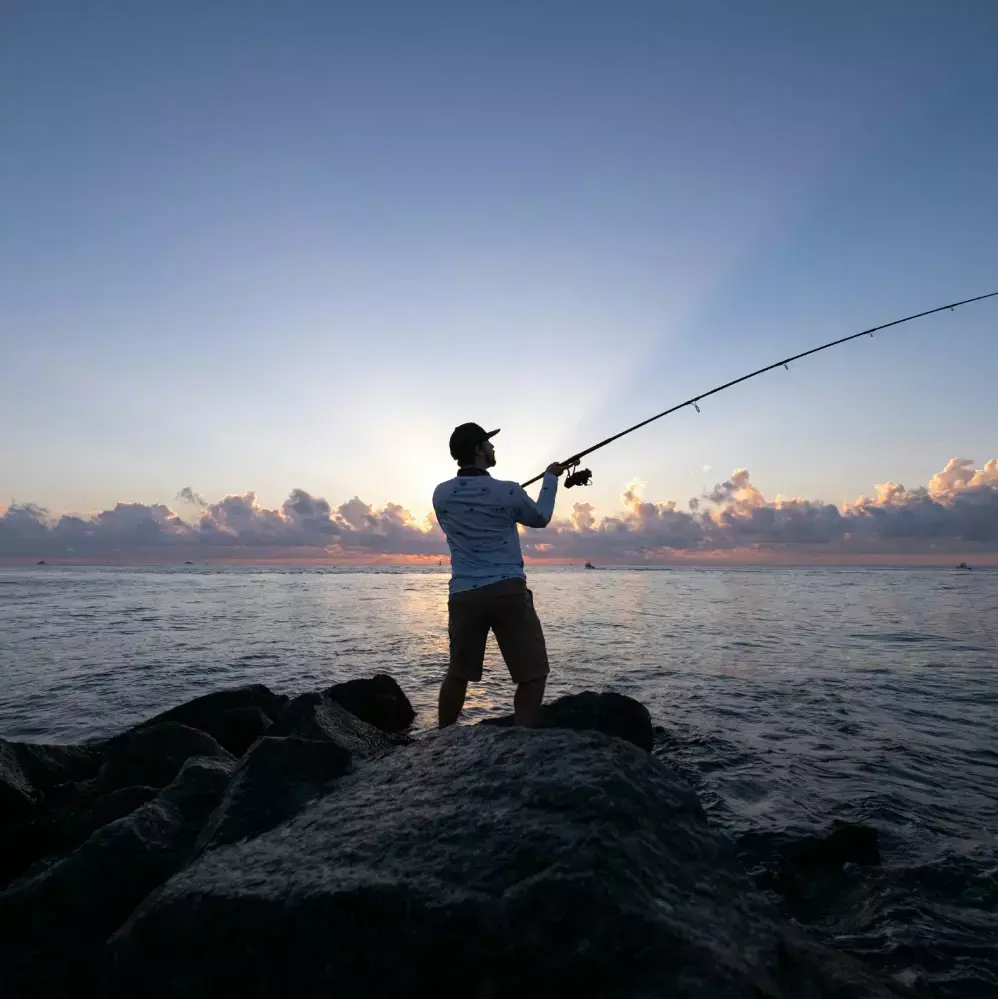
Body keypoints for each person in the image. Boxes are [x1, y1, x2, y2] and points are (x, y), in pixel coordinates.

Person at [432, 422, 563, 728]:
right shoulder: (508, 491)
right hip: (508, 592)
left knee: (458, 672)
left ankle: (441, 740)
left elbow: (478, 505)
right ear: (478, 450)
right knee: (532, 675)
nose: (493, 448)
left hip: (464, 595)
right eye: (488, 444)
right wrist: (550, 478)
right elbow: (540, 517)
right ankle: (521, 743)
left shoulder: (441, 495)